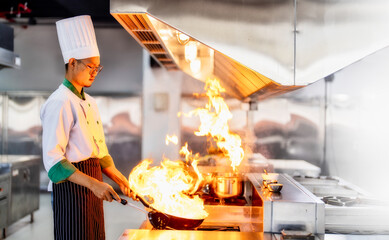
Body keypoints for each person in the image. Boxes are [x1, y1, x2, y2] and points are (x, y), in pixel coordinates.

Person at [41, 15, 132, 240]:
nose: (94, 72)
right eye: (90, 66)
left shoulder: (90, 102)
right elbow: (54, 162)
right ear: (72, 63)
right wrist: (93, 184)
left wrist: (120, 179)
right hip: (72, 188)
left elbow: (99, 153)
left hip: (92, 184)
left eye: (97, 67)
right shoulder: (59, 102)